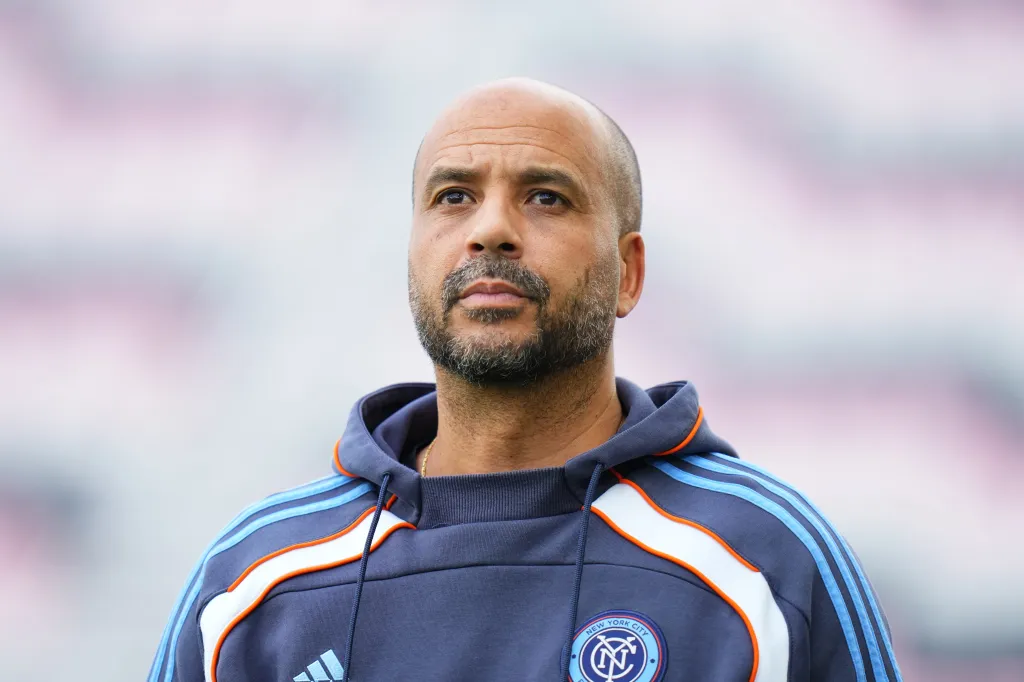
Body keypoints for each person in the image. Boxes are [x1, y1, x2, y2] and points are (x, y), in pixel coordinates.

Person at [148, 78, 902, 682]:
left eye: (546, 196)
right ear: (412, 254)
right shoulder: (252, 581)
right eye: (453, 197)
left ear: (628, 275)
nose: (491, 229)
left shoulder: (767, 562)